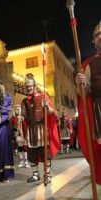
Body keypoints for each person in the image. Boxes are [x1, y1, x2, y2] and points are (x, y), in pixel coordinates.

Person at [75, 21, 101, 186]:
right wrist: (80, 84)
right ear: (94, 41)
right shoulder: (89, 64)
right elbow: (84, 94)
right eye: (98, 35)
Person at [21, 73, 60, 184]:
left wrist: (47, 107)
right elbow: (23, 115)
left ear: (35, 86)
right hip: (30, 130)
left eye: (30, 86)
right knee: (32, 155)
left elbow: (52, 113)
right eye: (27, 86)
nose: (28, 88)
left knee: (45, 155)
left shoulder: (44, 97)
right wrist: (20, 116)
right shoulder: (24, 101)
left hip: (42, 130)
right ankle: (35, 175)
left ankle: (47, 175)